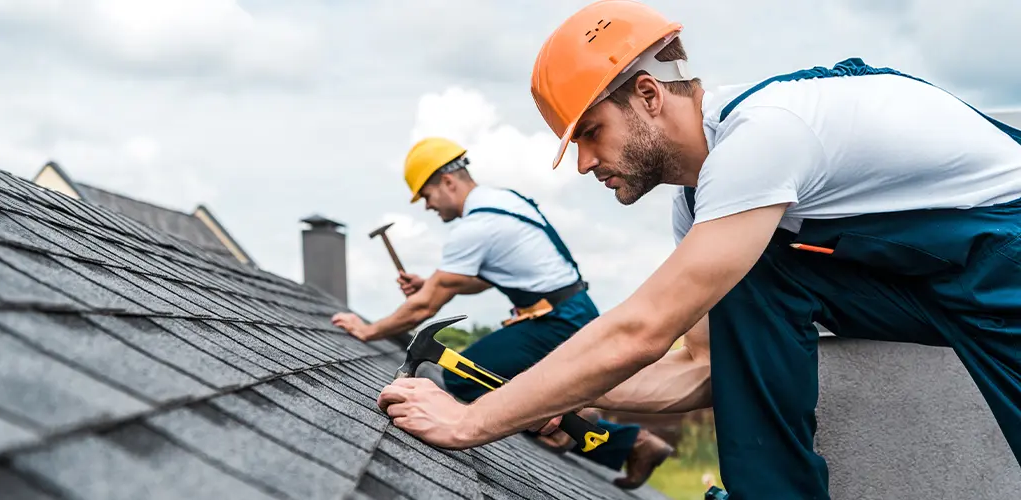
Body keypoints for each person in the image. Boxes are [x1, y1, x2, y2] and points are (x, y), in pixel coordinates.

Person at [373, 1, 1021, 499]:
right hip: (934, 279)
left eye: (592, 133)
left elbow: (642, 330)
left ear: (649, 96)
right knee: (754, 279)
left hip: (1005, 258)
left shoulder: (763, 137)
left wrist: (472, 420)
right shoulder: (706, 211)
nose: (584, 164)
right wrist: (553, 398)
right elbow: (704, 370)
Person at [331, 136, 672, 488]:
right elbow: (480, 280)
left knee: (463, 377)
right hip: (568, 311)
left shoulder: (477, 225)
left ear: (447, 181)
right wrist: (431, 283)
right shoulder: (503, 202)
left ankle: (608, 434)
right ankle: (595, 429)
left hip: (556, 321)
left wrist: (368, 330)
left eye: (427, 196)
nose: (428, 207)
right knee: (507, 383)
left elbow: (425, 306)